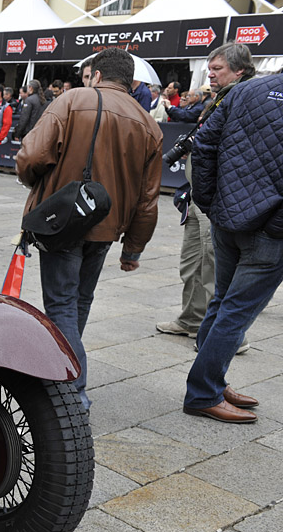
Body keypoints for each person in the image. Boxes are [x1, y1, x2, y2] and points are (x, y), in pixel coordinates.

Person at [16, 46, 162, 411]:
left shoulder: (73, 99)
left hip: (63, 219)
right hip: (107, 227)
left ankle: (73, 390)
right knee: (78, 301)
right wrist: (134, 249)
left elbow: (31, 156)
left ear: (96, 74)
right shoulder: (148, 123)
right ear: (131, 82)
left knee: (63, 304)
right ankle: (64, 372)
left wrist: (36, 184)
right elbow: (148, 198)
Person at [182, 65, 283, 423]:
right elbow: (205, 143)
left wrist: (210, 200)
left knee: (224, 303)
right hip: (261, 229)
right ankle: (204, 391)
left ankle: (212, 380)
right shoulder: (243, 90)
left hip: (231, 218)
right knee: (234, 309)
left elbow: (204, 142)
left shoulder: (244, 90)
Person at [156, 43, 256, 351]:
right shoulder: (221, 97)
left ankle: (226, 336)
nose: (210, 74)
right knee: (193, 262)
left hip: (222, 197)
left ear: (239, 70)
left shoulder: (247, 98)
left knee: (215, 265)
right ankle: (191, 319)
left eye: (218, 69)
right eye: (209, 68)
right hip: (199, 194)